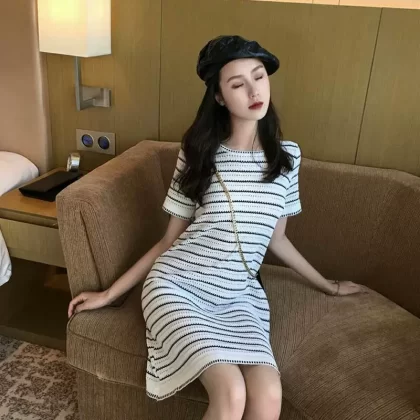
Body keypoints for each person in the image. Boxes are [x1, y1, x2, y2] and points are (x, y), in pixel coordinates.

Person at [68, 35, 366, 420]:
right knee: (231, 392)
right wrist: (109, 294)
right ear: (220, 97)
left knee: (269, 394)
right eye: (238, 84)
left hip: (239, 297)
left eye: (259, 77)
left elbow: (278, 239)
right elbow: (168, 241)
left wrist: (329, 285)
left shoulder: (288, 158)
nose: (254, 91)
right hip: (179, 287)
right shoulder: (198, 154)